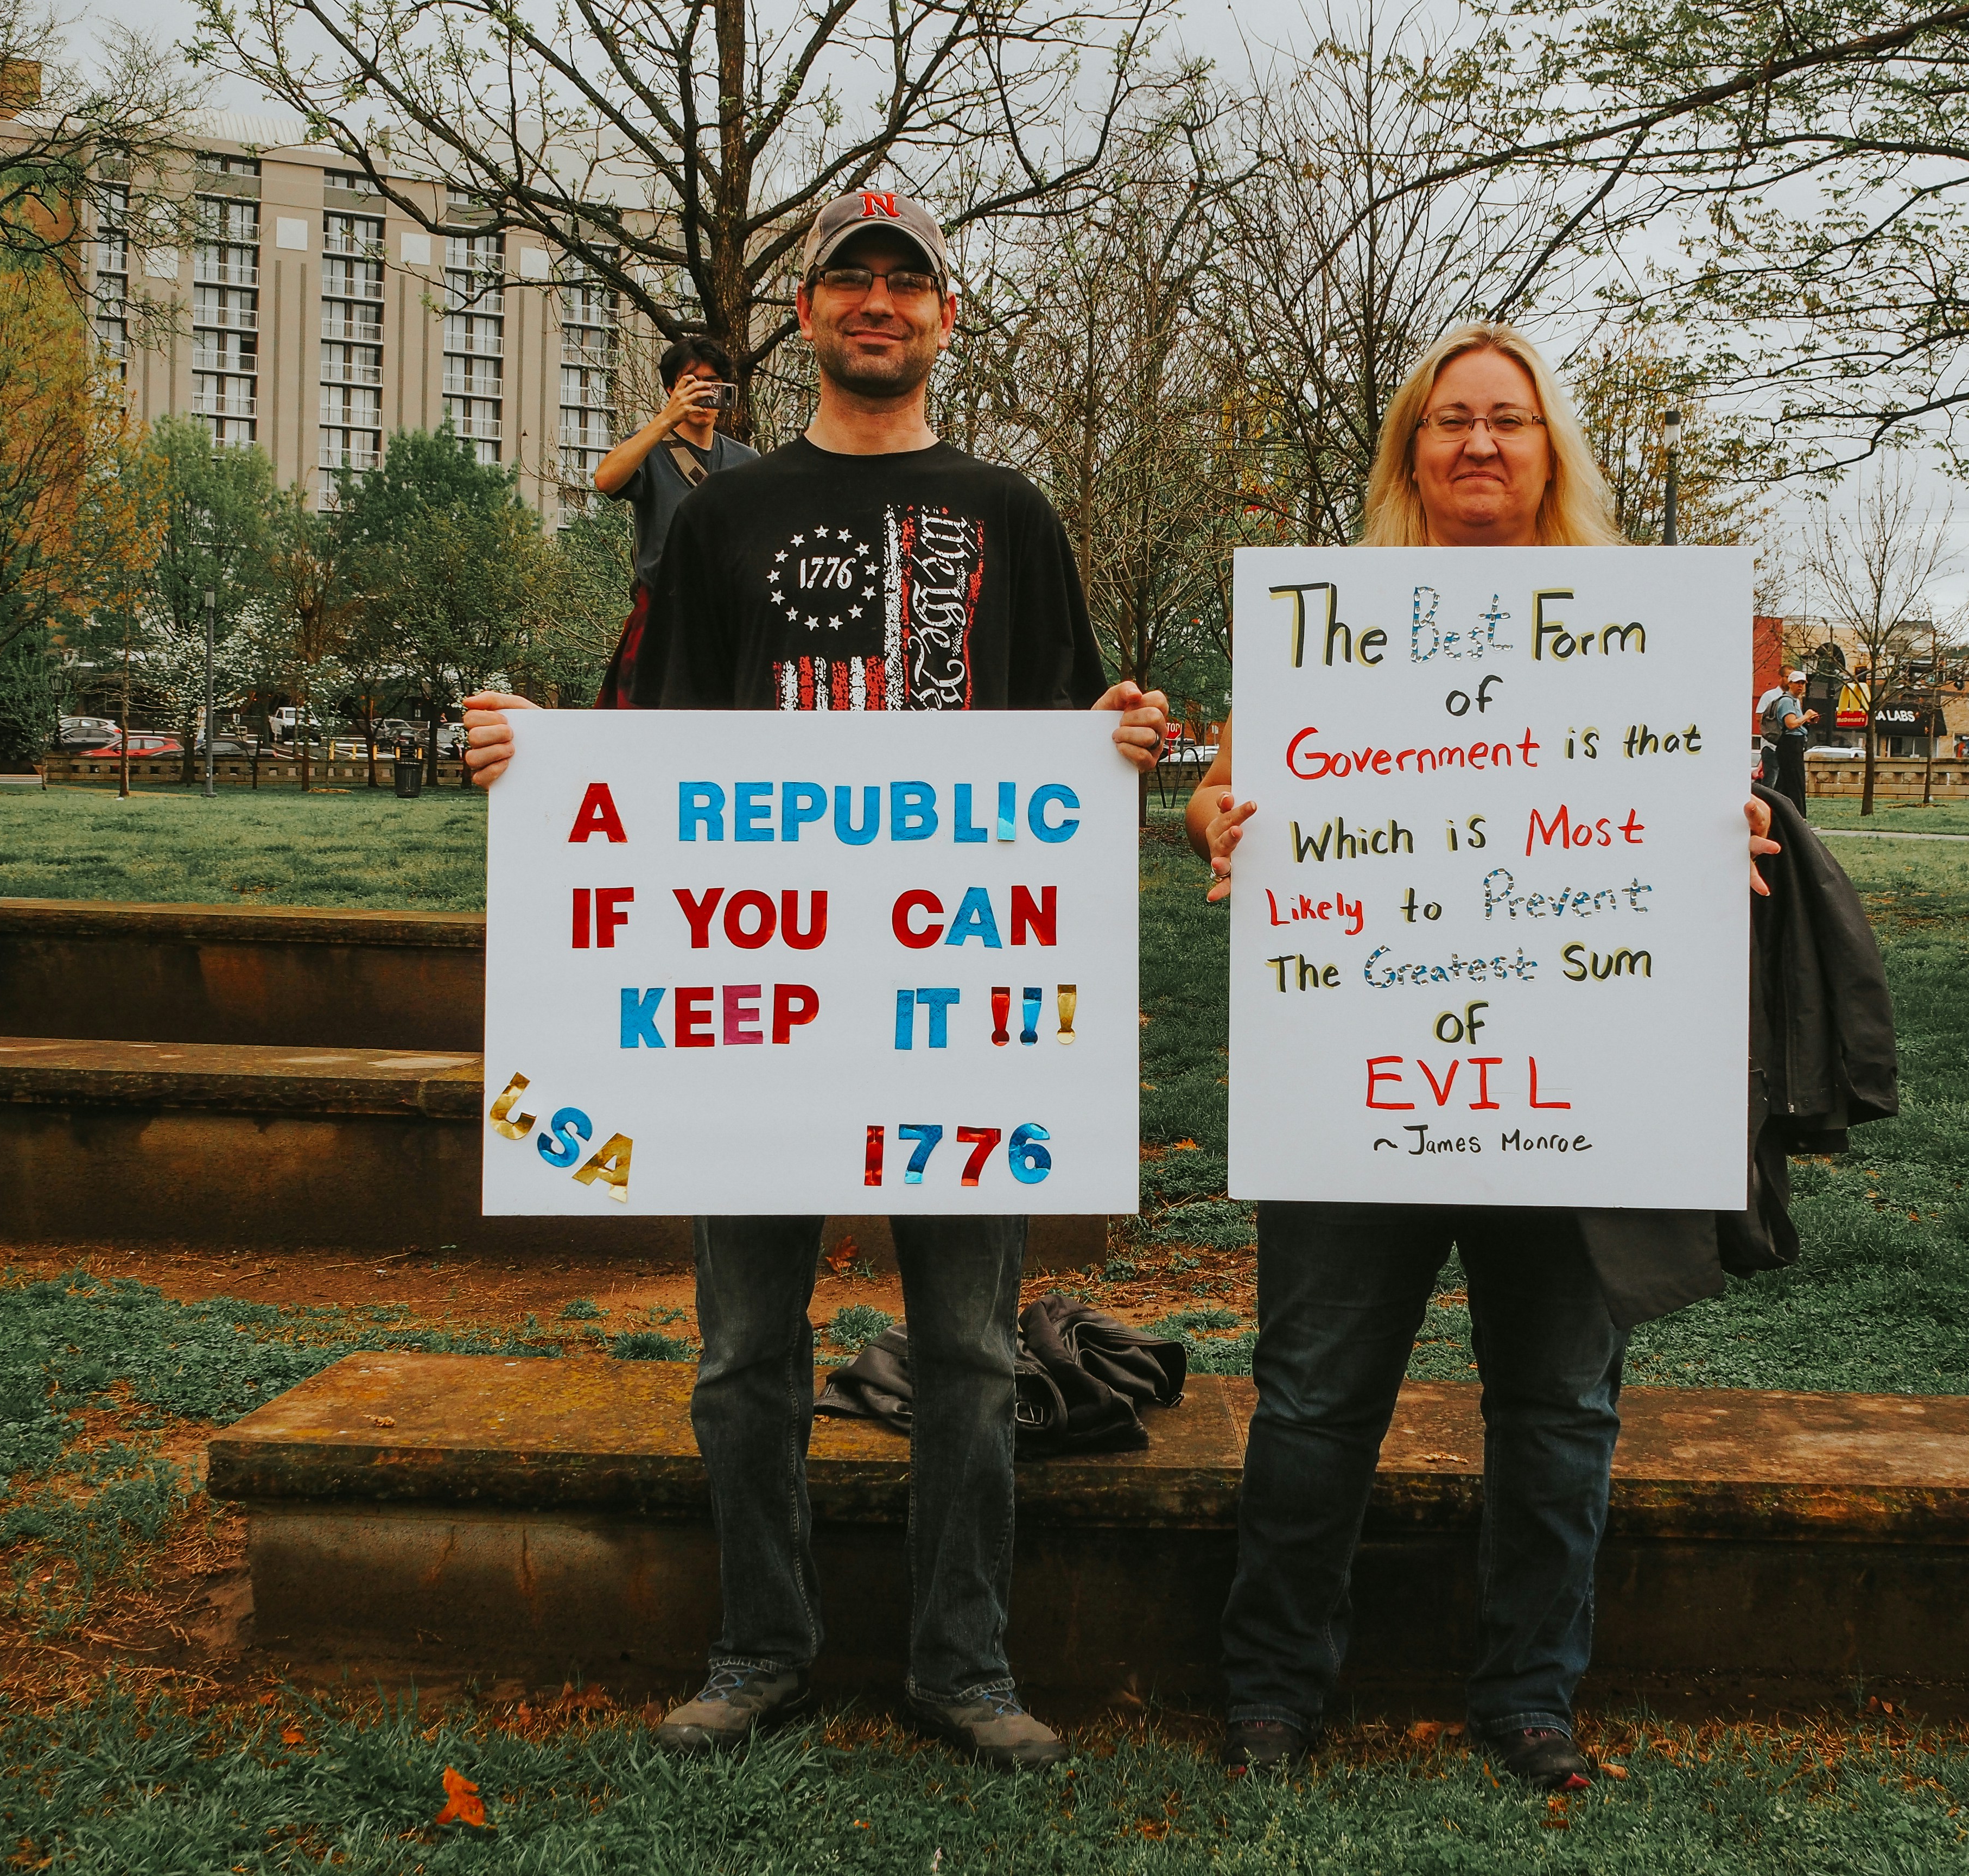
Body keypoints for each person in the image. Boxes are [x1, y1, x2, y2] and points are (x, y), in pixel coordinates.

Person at [459, 188, 1169, 1771]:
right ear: (803, 315)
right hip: (753, 1001)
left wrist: (1117, 750)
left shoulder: (1011, 517)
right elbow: (639, 751)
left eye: (902, 285)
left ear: (944, 318)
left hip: (960, 1007)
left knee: (976, 1356)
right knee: (743, 1353)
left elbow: (1068, 756)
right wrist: (529, 755)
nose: (875, 304)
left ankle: (961, 1666)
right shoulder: (721, 513)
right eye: (846, 281)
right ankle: (758, 1653)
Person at [1184, 323, 1781, 1793]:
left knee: (1559, 1407)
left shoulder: (1639, 633)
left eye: (1505, 422)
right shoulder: (1329, 627)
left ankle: (1529, 1698)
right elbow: (1236, 781)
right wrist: (1214, 816)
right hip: (1358, 1076)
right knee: (1314, 1397)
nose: (1475, 445)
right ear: (1408, 453)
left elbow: (1697, 814)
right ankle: (1271, 1693)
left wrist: (1734, 837)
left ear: (1546, 450)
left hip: (1576, 1079)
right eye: (1447, 422)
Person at [592, 336, 763, 707]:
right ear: (672, 389)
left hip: (724, 618)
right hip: (660, 615)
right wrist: (667, 419)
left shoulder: (746, 460)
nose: (704, 392)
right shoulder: (648, 448)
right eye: (692, 382)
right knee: (639, 726)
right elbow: (605, 480)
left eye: (713, 383)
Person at [1757, 669, 1811, 814]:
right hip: (1790, 744)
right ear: (1790, 684)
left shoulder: (1795, 701)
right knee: (1795, 781)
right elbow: (1791, 724)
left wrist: (1807, 720)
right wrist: (1806, 716)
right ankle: (1798, 816)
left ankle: (1782, 814)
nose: (1801, 686)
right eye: (1797, 683)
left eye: (1803, 683)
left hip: (1794, 743)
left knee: (1786, 782)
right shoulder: (1787, 701)